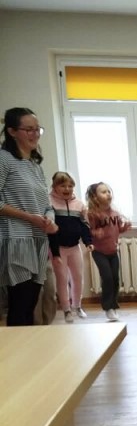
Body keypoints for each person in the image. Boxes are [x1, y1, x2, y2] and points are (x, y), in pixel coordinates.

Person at [0, 107, 58, 326]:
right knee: (20, 304)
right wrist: (28, 217)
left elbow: (46, 205)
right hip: (16, 241)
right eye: (29, 129)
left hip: (38, 241)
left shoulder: (35, 165)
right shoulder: (4, 159)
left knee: (32, 303)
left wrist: (50, 220)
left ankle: (30, 346)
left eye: (37, 129)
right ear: (12, 131)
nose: (35, 134)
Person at [49, 170, 92, 322]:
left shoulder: (79, 205)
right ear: (55, 187)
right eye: (63, 186)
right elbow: (50, 230)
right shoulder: (49, 203)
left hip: (74, 248)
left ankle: (77, 306)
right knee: (62, 279)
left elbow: (84, 225)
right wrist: (55, 253)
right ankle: (66, 310)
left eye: (70, 186)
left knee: (78, 277)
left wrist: (88, 242)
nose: (67, 189)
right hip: (58, 249)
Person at [85, 182, 131, 322]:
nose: (108, 194)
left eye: (108, 191)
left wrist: (124, 227)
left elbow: (117, 230)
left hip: (113, 251)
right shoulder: (92, 214)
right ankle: (107, 307)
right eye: (103, 192)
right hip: (99, 252)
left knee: (115, 279)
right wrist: (95, 233)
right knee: (107, 278)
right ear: (95, 197)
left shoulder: (115, 213)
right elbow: (87, 231)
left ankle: (113, 305)